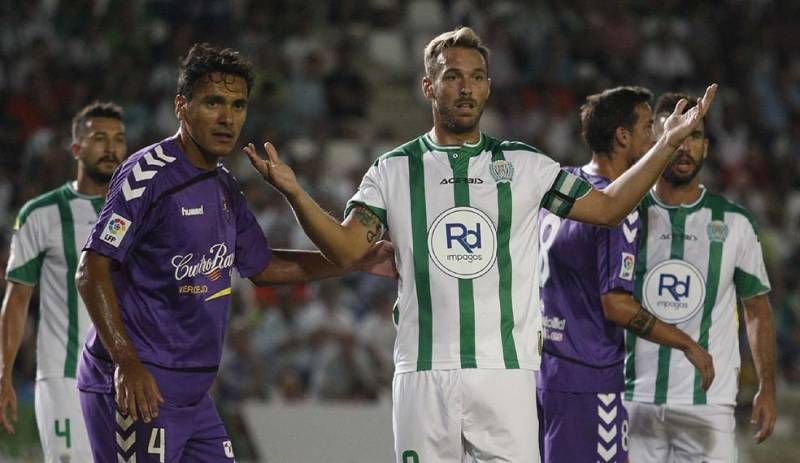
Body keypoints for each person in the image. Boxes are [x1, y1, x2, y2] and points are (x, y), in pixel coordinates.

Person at [244, 27, 717, 462]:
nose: (466, 88)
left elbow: (609, 208)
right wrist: (296, 193)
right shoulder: (393, 169)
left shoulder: (526, 165)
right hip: (423, 372)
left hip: (506, 375)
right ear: (428, 87)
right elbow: (347, 250)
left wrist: (665, 145)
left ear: (489, 87)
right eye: (452, 76)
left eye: (476, 77)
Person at [74, 43, 392, 463]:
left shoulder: (224, 186)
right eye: (214, 103)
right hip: (140, 386)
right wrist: (127, 363)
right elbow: (91, 268)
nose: (228, 118)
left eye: (238, 105)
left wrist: (349, 263)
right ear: (181, 107)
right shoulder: (145, 175)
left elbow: (264, 267)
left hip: (194, 394)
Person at [536, 87, 714, 463]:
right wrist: (687, 344)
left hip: (543, 376)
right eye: (649, 127)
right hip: (589, 378)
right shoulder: (619, 210)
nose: (654, 137)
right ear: (623, 136)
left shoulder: (562, 186)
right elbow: (616, 305)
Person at [624, 92, 777, 462]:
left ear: (706, 148)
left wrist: (766, 388)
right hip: (633, 398)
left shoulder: (735, 222)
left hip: (708, 404)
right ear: (657, 143)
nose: (685, 147)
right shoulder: (626, 211)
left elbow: (757, 310)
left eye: (695, 137)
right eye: (676, 135)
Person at [0, 102, 127, 462]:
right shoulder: (41, 214)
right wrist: (4, 373)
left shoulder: (142, 214)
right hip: (64, 376)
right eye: (99, 138)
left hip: (129, 377)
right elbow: (17, 299)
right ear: (77, 149)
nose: (111, 148)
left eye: (118, 139)